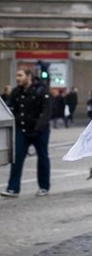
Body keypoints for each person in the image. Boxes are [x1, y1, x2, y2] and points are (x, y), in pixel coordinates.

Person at [3, 69, 53, 197]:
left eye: (20, 75)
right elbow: (11, 109)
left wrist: (39, 128)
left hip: (39, 130)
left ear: (28, 76)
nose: (17, 78)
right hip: (22, 128)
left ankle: (44, 186)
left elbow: (47, 111)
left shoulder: (42, 90)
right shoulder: (17, 92)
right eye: (16, 75)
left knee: (42, 157)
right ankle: (13, 188)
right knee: (17, 157)